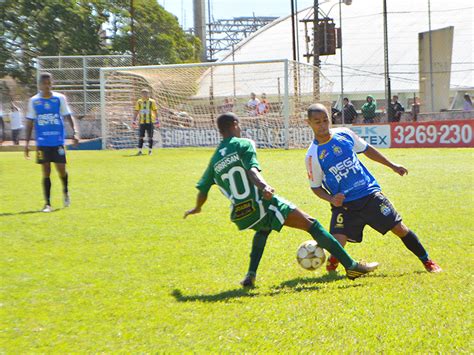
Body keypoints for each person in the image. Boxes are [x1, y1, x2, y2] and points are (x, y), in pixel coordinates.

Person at [184, 112, 379, 288]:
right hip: (262, 203)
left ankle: (250, 276)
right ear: (235, 124)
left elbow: (203, 189)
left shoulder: (215, 159)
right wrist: (264, 187)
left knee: (263, 229)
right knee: (313, 225)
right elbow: (251, 170)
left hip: (242, 214)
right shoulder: (243, 144)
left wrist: (197, 207)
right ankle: (351, 266)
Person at [304, 104, 442, 274]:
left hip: (369, 194)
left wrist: (392, 165)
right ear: (309, 123)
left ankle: (427, 261)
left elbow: (367, 149)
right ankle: (333, 262)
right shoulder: (312, 155)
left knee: (399, 229)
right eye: (317, 122)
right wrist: (331, 199)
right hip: (345, 205)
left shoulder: (344, 134)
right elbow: (315, 187)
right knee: (337, 241)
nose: (323, 125)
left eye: (325, 120)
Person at [25, 72, 79, 212]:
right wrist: (26, 144)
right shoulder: (34, 101)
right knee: (46, 171)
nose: (47, 86)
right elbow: (30, 122)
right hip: (42, 142)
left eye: (49, 83)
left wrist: (75, 132)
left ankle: (65, 192)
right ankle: (47, 204)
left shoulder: (59, 98)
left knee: (61, 170)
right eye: (44, 83)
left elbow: (68, 116)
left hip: (57, 140)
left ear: (52, 83)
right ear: (40, 85)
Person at [133, 89, 159, 155]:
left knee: (150, 137)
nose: (145, 95)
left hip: (150, 122)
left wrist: (157, 121)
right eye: (144, 94)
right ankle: (140, 151)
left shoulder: (152, 102)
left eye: (147, 94)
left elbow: (155, 111)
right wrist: (134, 120)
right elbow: (136, 111)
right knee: (141, 136)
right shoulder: (139, 102)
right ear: (141, 95)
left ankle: (150, 151)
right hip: (142, 122)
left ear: (149, 94)